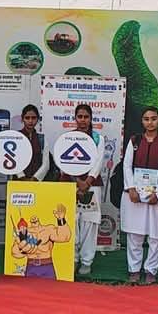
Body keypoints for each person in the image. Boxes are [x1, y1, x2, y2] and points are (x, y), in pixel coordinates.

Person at [121, 107, 158, 285]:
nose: (150, 122)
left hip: (155, 195)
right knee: (134, 235)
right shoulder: (135, 140)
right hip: (134, 194)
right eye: (146, 119)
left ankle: (151, 270)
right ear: (142, 121)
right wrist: (131, 188)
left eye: (153, 118)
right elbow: (127, 165)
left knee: (155, 236)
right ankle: (134, 269)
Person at [58, 104, 104, 276]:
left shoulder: (98, 138)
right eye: (80, 116)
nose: (83, 120)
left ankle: (86, 261)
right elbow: (62, 162)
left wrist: (87, 182)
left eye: (86, 117)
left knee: (89, 223)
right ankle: (73, 258)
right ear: (75, 118)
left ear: (91, 119)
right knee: (71, 221)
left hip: (92, 185)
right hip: (70, 184)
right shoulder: (68, 138)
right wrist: (77, 181)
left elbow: (99, 161)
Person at [16, 105, 49, 181]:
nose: (30, 121)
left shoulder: (42, 139)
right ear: (22, 119)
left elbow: (46, 164)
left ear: (38, 119)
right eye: (27, 118)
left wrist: (35, 178)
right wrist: (21, 176)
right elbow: (13, 160)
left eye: (33, 118)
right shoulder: (16, 137)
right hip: (18, 181)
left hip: (37, 182)